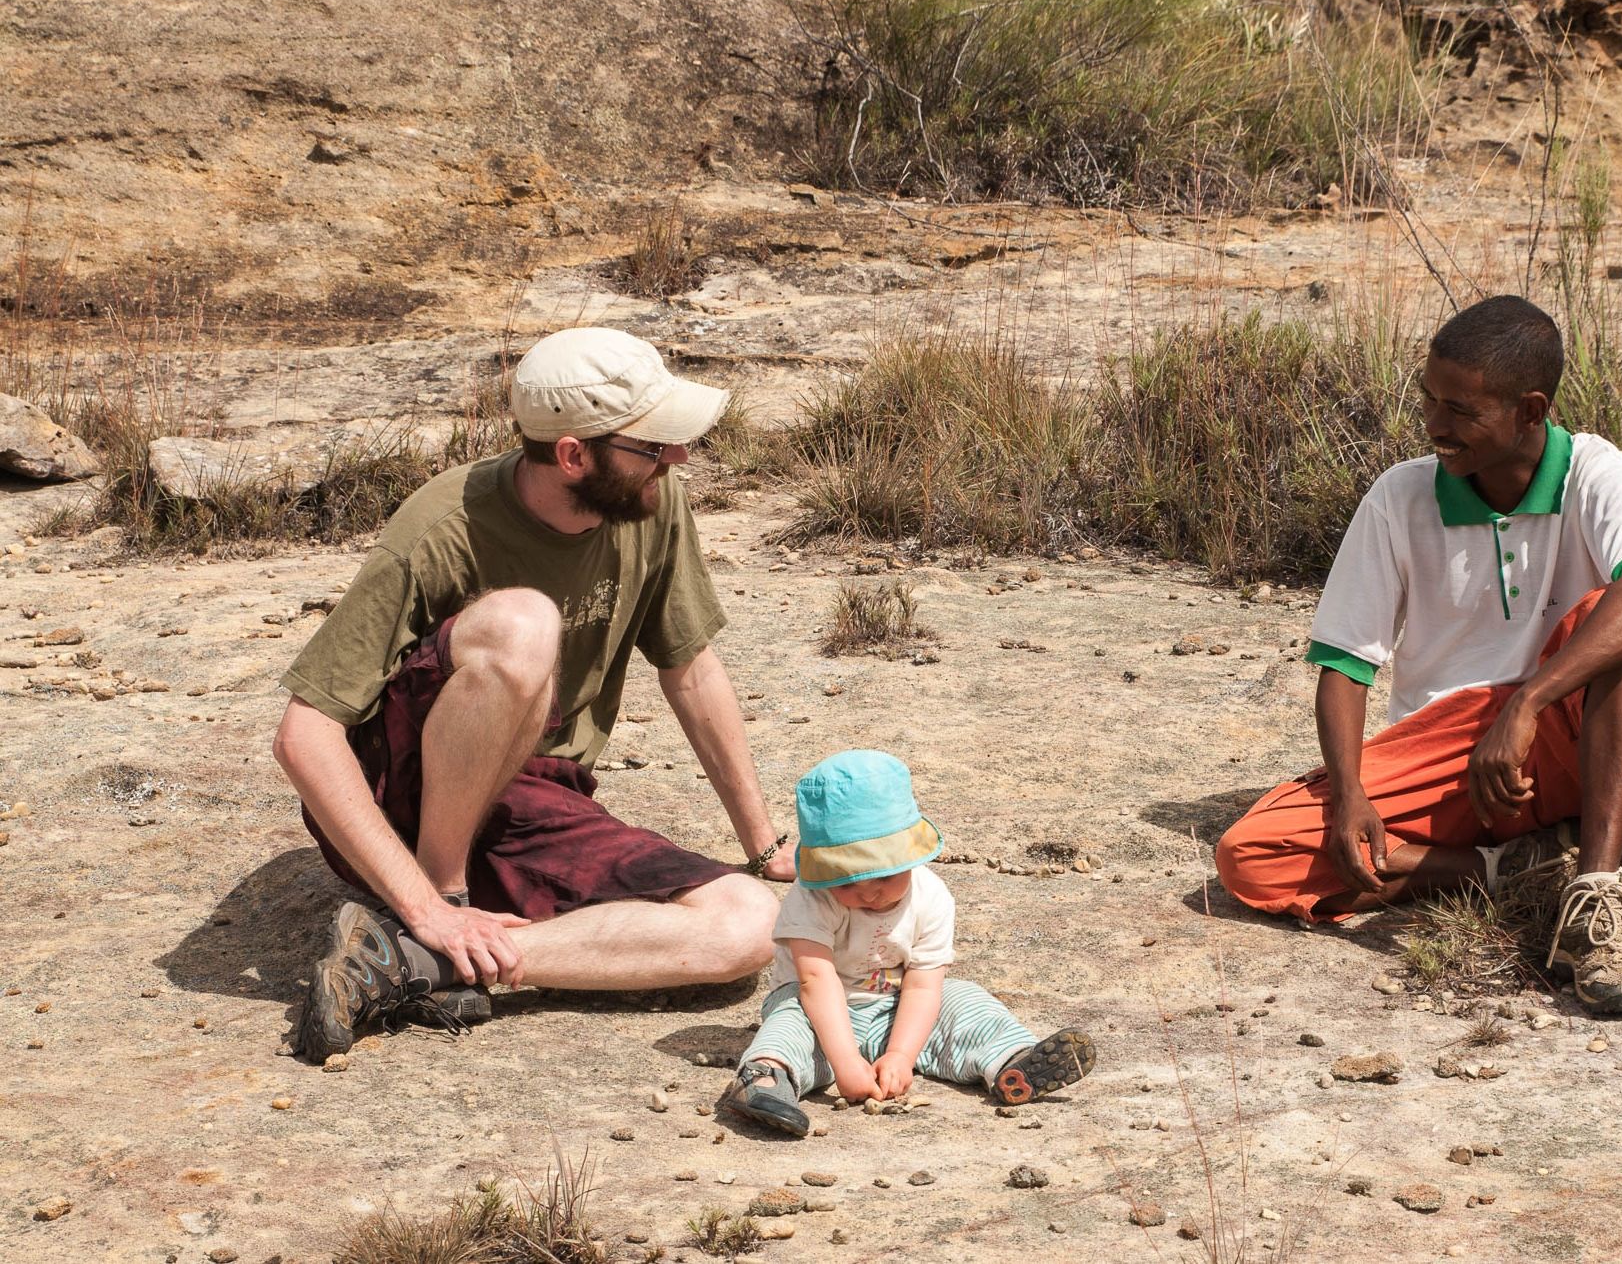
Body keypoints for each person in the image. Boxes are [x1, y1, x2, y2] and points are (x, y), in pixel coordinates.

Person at [274, 326, 790, 1061]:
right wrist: (429, 905)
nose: (677, 458)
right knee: (524, 624)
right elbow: (305, 735)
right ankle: (442, 902)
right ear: (574, 454)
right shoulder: (443, 524)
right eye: (654, 445)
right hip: (406, 797)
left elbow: (691, 669)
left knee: (747, 923)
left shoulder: (655, 503)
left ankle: (428, 961)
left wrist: (762, 844)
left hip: (534, 799)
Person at [1215, 295, 1622, 1015]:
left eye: (1461, 411)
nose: (1434, 425)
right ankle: (1510, 871)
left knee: (1619, 618)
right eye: (1429, 399)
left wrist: (1526, 703)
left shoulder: (1597, 474)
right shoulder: (1399, 497)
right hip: (1449, 756)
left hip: (1567, 735)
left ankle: (1593, 906)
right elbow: (1344, 664)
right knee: (1250, 854)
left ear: (1531, 411)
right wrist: (1350, 797)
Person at [719, 750, 1095, 1136]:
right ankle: (765, 1079)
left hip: (896, 1012)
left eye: (882, 876)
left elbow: (923, 984)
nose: (868, 893)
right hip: (819, 1014)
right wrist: (846, 1061)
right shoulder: (811, 896)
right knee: (789, 1022)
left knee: (963, 999)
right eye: (846, 881)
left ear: (910, 857)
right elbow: (816, 980)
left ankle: (1013, 1061)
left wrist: (901, 1054)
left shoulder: (931, 896)